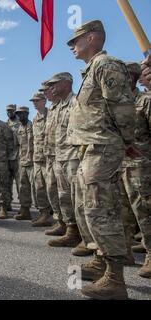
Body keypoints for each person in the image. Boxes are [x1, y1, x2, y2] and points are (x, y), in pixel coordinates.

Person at [67, 20, 137, 299]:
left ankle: (115, 279)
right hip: (92, 147)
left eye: (76, 40)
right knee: (88, 208)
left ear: (93, 38)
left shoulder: (106, 65)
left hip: (104, 146)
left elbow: (123, 106)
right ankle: (100, 261)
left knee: (100, 208)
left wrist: (127, 141)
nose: (73, 45)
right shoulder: (92, 69)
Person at [117, 62, 151, 277]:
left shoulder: (145, 101)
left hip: (142, 167)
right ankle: (125, 251)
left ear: (135, 78)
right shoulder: (119, 103)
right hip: (120, 165)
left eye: (128, 75)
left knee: (145, 211)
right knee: (122, 212)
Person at [46, 72, 83, 249]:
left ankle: (86, 238)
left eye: (55, 84)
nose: (51, 87)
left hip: (74, 157)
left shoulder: (76, 102)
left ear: (66, 83)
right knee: (64, 197)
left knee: (79, 199)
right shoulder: (59, 107)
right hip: (60, 157)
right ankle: (71, 231)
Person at [42, 82, 65, 237]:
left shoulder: (70, 104)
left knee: (65, 194)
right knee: (51, 190)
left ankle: (71, 226)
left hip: (64, 156)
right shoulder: (52, 109)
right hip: (50, 156)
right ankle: (61, 221)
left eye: (47, 90)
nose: (45, 94)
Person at [29, 92, 53, 228]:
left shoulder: (51, 115)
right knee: (39, 188)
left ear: (44, 101)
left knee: (53, 188)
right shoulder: (35, 119)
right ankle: (44, 214)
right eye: (33, 101)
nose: (34, 103)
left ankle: (58, 216)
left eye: (37, 100)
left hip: (50, 158)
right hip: (37, 158)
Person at [14, 106, 35, 220]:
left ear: (27, 114)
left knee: (38, 187)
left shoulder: (33, 126)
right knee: (23, 187)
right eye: (18, 114)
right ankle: (25, 209)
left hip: (33, 161)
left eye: (22, 114)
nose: (19, 116)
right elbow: (18, 145)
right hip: (22, 161)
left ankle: (45, 212)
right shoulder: (19, 129)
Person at [6, 104, 20, 212]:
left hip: (19, 156)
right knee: (7, 182)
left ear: (15, 111)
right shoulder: (5, 124)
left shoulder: (21, 122)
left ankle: (23, 207)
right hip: (7, 157)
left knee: (21, 183)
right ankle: (7, 203)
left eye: (11, 110)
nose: (9, 112)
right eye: (7, 111)